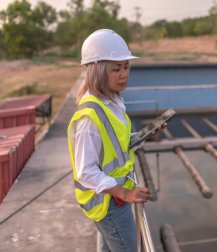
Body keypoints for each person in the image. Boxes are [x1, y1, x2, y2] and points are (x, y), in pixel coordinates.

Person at [67, 29, 163, 252]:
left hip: (113, 196)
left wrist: (144, 136)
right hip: (108, 202)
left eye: (126, 67)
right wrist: (126, 194)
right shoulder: (90, 117)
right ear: (98, 71)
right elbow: (85, 171)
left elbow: (116, 144)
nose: (124, 75)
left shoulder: (112, 102)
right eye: (116, 69)